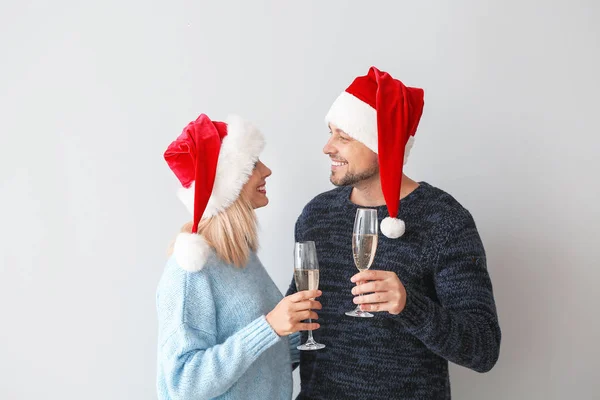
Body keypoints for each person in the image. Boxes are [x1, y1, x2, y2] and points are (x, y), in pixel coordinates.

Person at [286, 66, 501, 399]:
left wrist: (409, 305)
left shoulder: (444, 220)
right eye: (330, 133)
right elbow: (299, 321)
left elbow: (483, 349)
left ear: (381, 144)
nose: (328, 147)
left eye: (343, 136)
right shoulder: (317, 214)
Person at [156, 113, 322, 399]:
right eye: (254, 164)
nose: (267, 171)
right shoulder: (190, 271)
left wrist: (313, 330)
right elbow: (185, 383)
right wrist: (269, 326)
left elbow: (263, 357)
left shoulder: (239, 256)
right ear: (226, 184)